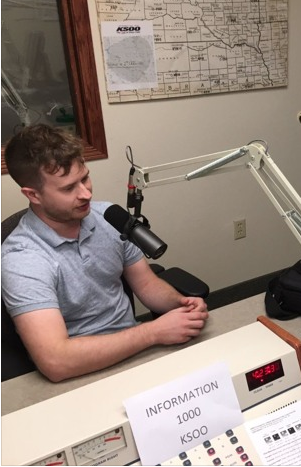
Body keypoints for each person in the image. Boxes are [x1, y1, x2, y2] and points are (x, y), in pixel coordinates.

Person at [1, 125, 209, 383]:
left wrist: (181, 304)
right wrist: (152, 333)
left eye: (85, 178)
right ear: (33, 195)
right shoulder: (22, 258)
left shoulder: (108, 217)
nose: (86, 193)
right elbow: (56, 362)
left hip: (137, 350)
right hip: (79, 373)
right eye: (68, 188)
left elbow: (147, 284)